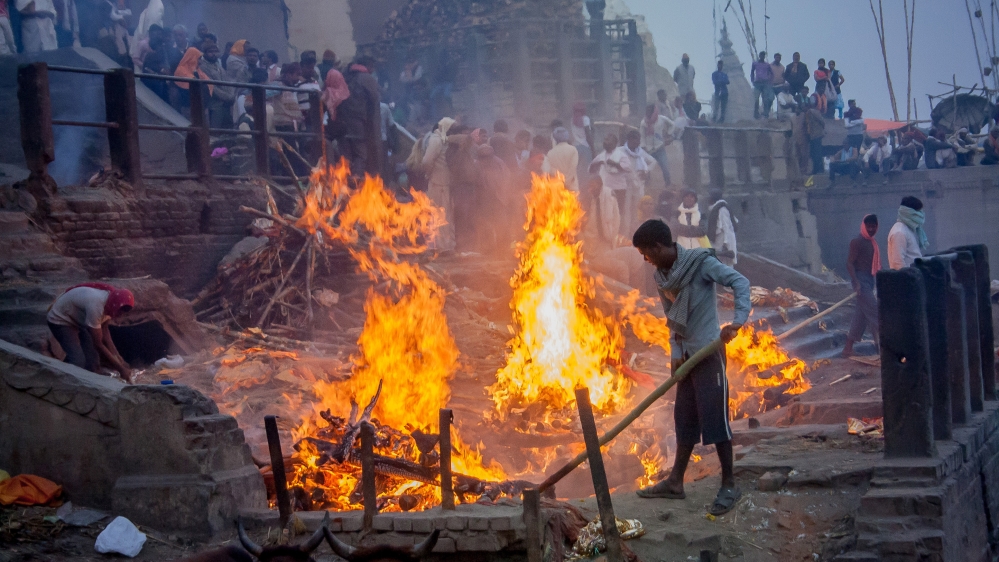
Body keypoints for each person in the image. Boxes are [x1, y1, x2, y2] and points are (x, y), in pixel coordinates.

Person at [632, 219, 750, 517]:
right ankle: (675, 482)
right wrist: (675, 354)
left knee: (716, 421)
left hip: (709, 352)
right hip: (686, 358)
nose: (645, 260)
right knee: (684, 418)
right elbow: (672, 319)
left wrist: (737, 321)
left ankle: (729, 483)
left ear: (658, 247)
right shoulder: (662, 276)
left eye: (646, 253)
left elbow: (740, 282)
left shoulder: (699, 263)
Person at [47, 283, 134, 382]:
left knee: (93, 360)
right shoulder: (97, 306)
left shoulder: (111, 304)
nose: (120, 315)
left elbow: (105, 330)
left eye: (123, 313)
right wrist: (120, 368)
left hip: (79, 320)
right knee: (78, 360)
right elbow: (98, 344)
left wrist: (117, 356)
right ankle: (66, 385)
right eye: (119, 312)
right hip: (61, 320)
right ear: (115, 305)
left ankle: (92, 381)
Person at [332, 58, 382, 176]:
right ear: (367, 65)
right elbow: (375, 98)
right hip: (357, 123)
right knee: (361, 154)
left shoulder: (344, 76)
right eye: (372, 67)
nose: (373, 69)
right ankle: (356, 181)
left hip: (341, 123)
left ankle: (345, 183)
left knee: (345, 156)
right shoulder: (366, 78)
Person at [843, 214, 881, 356]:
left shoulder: (872, 242)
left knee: (860, 316)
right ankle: (888, 348)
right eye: (869, 226)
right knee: (876, 315)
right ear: (863, 226)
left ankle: (847, 349)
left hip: (869, 281)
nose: (871, 229)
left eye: (874, 226)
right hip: (861, 282)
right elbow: (849, 263)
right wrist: (856, 282)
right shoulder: (857, 241)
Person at [422, 117, 456, 251]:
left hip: (443, 183)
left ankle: (444, 245)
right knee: (439, 214)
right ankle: (438, 245)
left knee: (445, 214)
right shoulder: (436, 140)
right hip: (438, 183)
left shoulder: (442, 139)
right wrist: (429, 174)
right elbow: (426, 161)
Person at [590, 133, 633, 235]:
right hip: (604, 190)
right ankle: (605, 234)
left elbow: (628, 168)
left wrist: (615, 164)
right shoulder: (601, 155)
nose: (606, 142)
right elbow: (591, 169)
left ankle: (617, 234)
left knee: (618, 213)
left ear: (615, 143)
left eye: (609, 140)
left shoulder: (622, 155)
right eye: (605, 140)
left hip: (618, 189)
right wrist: (596, 164)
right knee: (604, 213)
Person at [198, 43, 235, 129]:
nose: (214, 54)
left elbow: (227, 81)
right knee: (215, 132)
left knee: (228, 131)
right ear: (205, 53)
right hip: (214, 104)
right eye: (210, 52)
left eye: (215, 51)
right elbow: (212, 87)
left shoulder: (219, 66)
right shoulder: (203, 67)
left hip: (226, 103)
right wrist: (227, 96)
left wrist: (230, 95)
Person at [887, 196, 928, 269]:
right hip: (907, 278)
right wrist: (907, 278)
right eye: (918, 213)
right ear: (909, 213)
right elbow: (898, 263)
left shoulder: (909, 230)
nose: (921, 215)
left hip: (915, 275)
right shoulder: (899, 232)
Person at [640, 103, 674, 186]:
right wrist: (643, 147)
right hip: (648, 149)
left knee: (664, 166)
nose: (647, 112)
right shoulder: (644, 122)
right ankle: (646, 185)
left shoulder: (661, 119)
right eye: (646, 111)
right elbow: (642, 136)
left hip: (659, 147)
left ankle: (668, 184)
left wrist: (669, 134)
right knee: (646, 168)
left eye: (649, 110)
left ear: (653, 111)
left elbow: (672, 125)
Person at [705, 189, 737, 265]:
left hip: (723, 240)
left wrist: (726, 244)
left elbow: (727, 228)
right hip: (717, 239)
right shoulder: (715, 208)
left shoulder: (722, 209)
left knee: (725, 263)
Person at [750, 51, 774, 119]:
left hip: (765, 83)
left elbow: (771, 73)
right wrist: (752, 80)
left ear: (764, 56)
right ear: (759, 56)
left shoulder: (767, 65)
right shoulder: (755, 63)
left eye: (763, 55)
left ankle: (765, 113)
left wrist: (770, 81)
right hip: (757, 83)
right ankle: (756, 113)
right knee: (756, 98)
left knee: (765, 99)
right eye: (761, 55)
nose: (762, 56)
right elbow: (752, 71)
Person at [805, 106, 826, 174]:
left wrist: (821, 130)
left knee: (817, 153)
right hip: (812, 136)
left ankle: (819, 169)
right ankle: (816, 169)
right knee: (814, 153)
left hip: (816, 135)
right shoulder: (807, 113)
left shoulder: (812, 111)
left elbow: (822, 121)